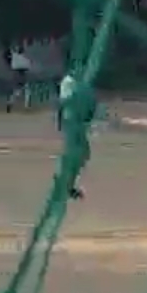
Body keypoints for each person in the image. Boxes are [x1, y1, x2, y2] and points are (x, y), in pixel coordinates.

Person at [57, 67, 84, 200]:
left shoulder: (73, 82)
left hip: (75, 120)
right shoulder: (69, 83)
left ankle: (68, 185)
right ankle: (67, 186)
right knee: (75, 155)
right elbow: (64, 102)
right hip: (72, 120)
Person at [5, 46, 34, 112]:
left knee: (17, 91)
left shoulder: (14, 56)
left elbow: (10, 54)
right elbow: (29, 65)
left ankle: (10, 102)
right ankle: (26, 106)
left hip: (16, 74)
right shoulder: (23, 58)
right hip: (22, 74)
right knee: (26, 91)